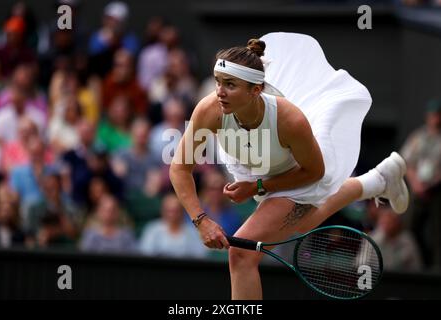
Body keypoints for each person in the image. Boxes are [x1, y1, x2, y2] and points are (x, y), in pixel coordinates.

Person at [169, 32, 410, 300]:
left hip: (299, 169)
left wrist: (257, 187)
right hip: (254, 161)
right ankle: (378, 180)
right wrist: (201, 220)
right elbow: (179, 168)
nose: (220, 92)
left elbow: (314, 172)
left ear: (255, 90)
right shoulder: (209, 109)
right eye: (218, 82)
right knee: (303, 222)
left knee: (242, 254)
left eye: (230, 85)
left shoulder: (289, 120)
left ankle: (377, 181)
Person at [400, 98, 441, 269]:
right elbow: (406, 162)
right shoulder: (417, 137)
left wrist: (430, 184)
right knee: (409, 228)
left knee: (437, 233)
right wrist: (416, 184)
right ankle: (411, 266)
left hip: (436, 191)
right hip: (416, 190)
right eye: (433, 115)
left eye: (438, 115)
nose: (435, 118)